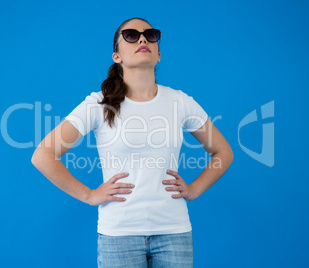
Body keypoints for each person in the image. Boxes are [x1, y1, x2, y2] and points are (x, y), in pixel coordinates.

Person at [31, 17, 234, 268]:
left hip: (174, 232)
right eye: (130, 35)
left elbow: (223, 151)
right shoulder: (98, 104)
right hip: (119, 234)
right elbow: (43, 154)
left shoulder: (180, 102)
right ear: (117, 56)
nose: (142, 39)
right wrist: (89, 195)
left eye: (150, 35)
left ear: (159, 54)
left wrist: (194, 189)